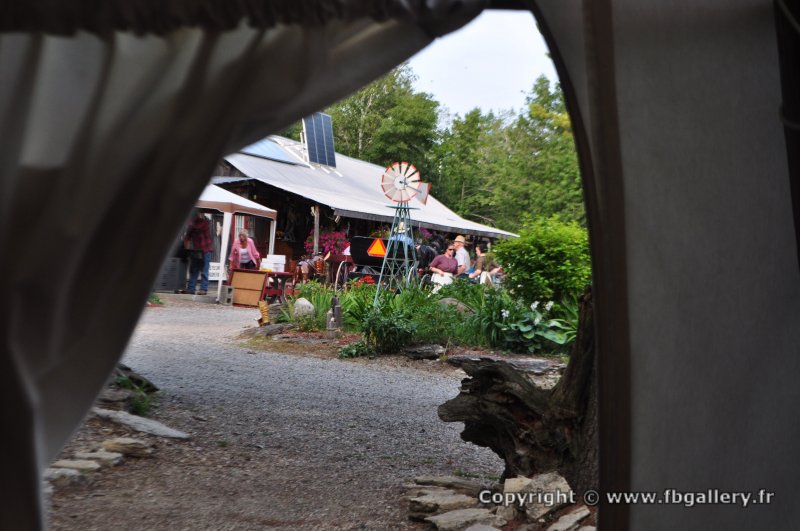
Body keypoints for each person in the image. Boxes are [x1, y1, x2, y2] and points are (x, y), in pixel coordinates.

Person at [184, 211, 214, 295]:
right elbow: (187, 238)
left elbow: (198, 227)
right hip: (197, 250)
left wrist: (189, 225)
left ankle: (203, 289)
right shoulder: (191, 226)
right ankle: (191, 288)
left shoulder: (204, 223)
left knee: (204, 270)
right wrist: (186, 250)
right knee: (194, 269)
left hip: (206, 250)